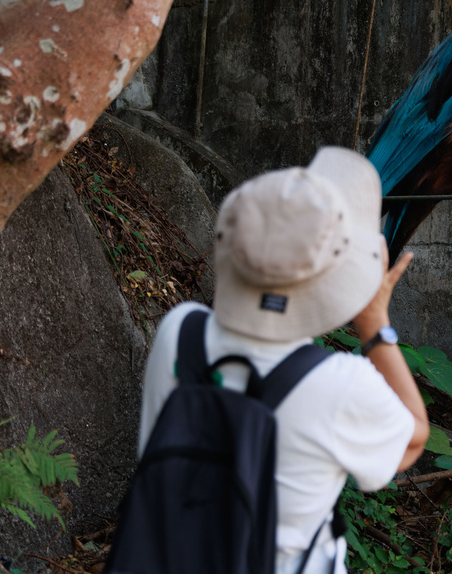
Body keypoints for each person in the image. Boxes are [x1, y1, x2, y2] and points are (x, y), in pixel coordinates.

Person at [138, 146, 429, 574]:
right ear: (336, 276)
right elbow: (414, 438)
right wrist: (373, 324)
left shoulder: (179, 332)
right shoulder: (340, 384)